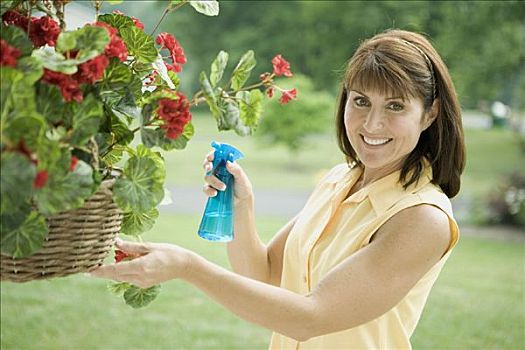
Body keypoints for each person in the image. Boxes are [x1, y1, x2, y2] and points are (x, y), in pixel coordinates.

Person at [90, 28, 466, 349]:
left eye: (396, 106)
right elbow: (266, 275)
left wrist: (188, 267)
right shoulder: (340, 179)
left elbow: (309, 317)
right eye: (361, 101)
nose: (372, 123)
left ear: (429, 114)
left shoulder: (422, 218)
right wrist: (242, 204)